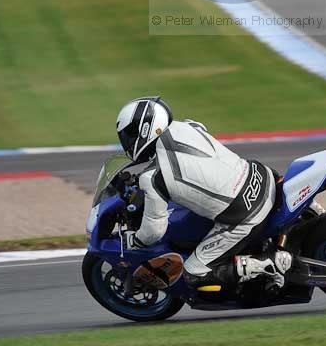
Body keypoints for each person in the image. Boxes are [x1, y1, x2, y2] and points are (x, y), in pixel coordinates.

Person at [116, 97, 292, 291]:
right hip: (261, 175)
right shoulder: (185, 126)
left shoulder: (152, 178)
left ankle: (267, 263)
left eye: (129, 134)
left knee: (193, 273)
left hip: (245, 213)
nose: (127, 141)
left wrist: (134, 239)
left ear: (144, 130)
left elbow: (154, 232)